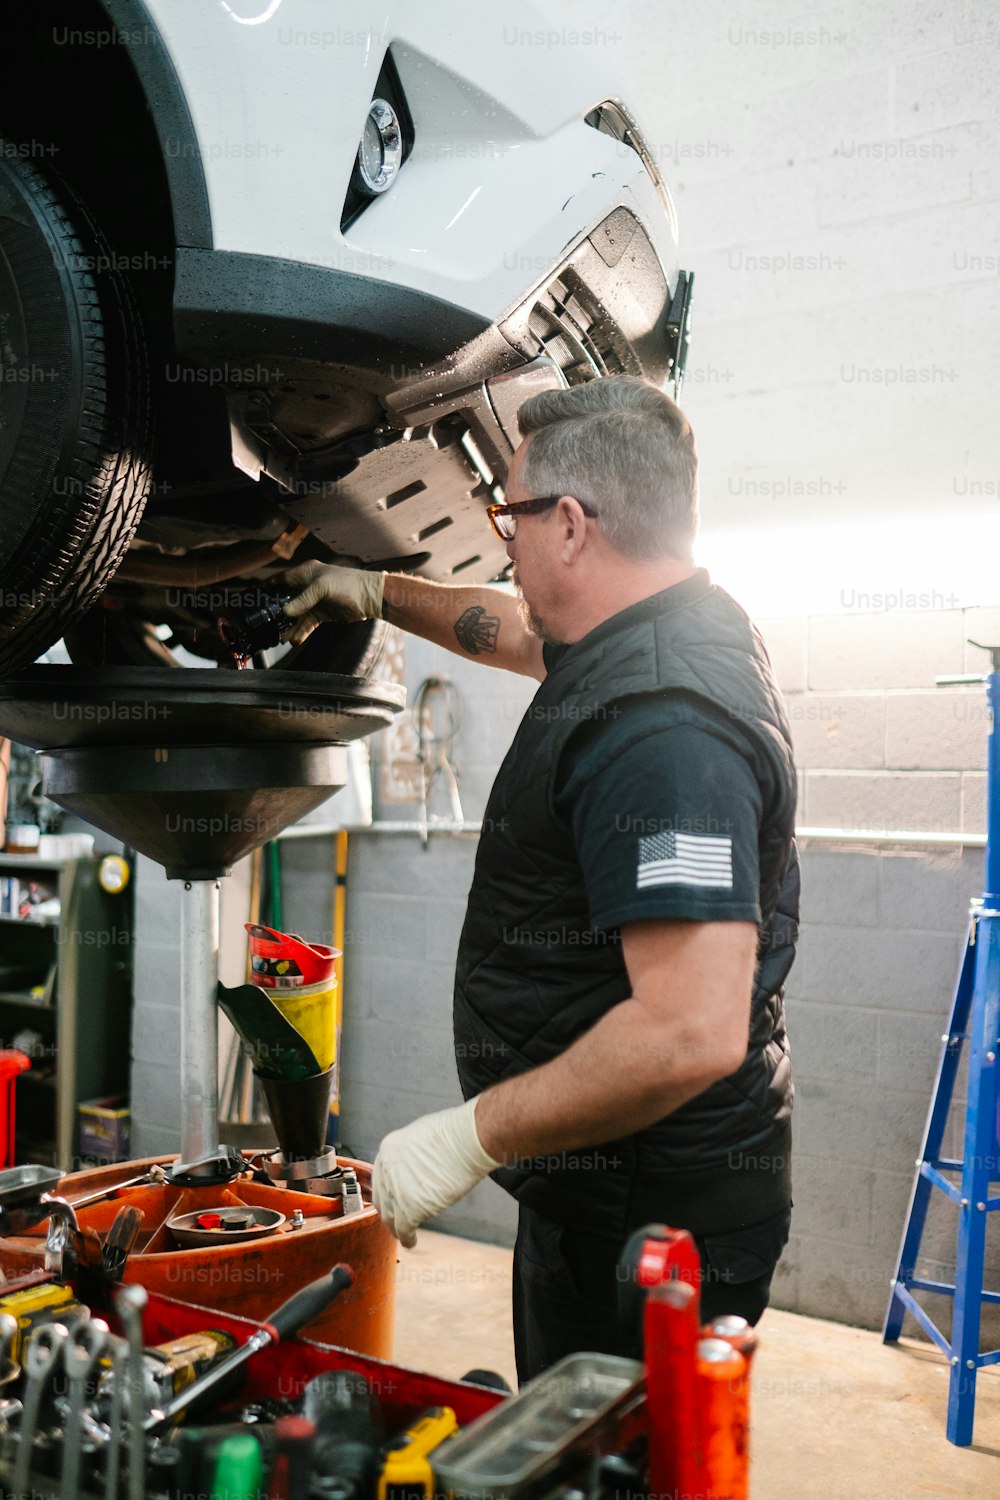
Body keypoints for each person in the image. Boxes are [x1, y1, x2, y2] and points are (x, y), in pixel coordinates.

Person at [282, 374, 798, 1383]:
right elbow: (515, 631)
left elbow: (690, 1028)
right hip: (595, 1189)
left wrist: (466, 1136)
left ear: (569, 524)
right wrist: (380, 591)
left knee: (607, 1472)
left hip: (654, 1223)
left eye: (506, 515)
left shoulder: (665, 726)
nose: (500, 540)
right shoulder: (648, 629)